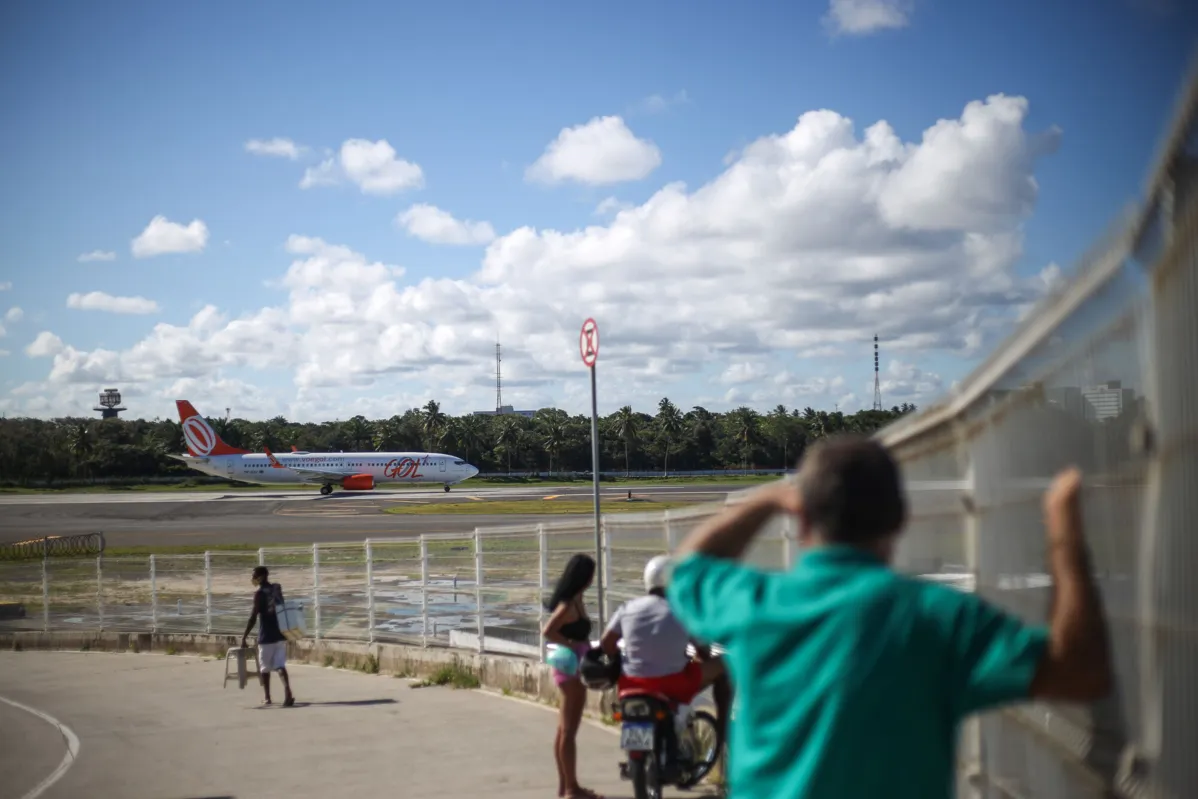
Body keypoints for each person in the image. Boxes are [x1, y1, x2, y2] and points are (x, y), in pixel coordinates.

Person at [666, 434, 1113, 799]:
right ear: (900, 519)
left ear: (801, 521)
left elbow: (687, 568)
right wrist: (1064, 530)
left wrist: (767, 501)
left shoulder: (756, 602)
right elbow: (1078, 672)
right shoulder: (934, 617)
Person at [599, 555, 732, 750]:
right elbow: (703, 651)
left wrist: (621, 661)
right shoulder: (681, 610)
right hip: (673, 684)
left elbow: (606, 643)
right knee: (724, 665)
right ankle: (723, 732)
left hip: (631, 683)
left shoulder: (628, 608)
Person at [541, 553, 603, 799]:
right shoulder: (568, 605)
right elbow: (548, 631)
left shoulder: (575, 599)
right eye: (590, 575)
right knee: (568, 730)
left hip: (574, 666)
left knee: (564, 730)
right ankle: (571, 789)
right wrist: (570, 644)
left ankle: (565, 786)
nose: (592, 580)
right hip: (571, 669)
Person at [241, 565, 295, 708]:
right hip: (280, 633)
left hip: (266, 635)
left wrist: (244, 636)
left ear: (261, 576)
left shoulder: (259, 594)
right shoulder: (277, 589)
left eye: (254, 575)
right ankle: (287, 691)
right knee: (280, 665)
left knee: (264, 668)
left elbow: (253, 616)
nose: (252, 578)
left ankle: (267, 697)